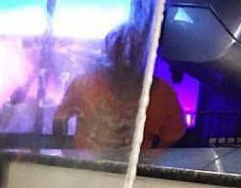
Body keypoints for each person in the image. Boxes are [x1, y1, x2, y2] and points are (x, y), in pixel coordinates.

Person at [53, 24, 185, 151]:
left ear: (144, 55)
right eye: (120, 50)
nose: (126, 58)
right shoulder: (84, 85)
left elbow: (174, 136)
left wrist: (151, 164)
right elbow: (59, 120)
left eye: (133, 51)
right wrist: (64, 156)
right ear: (109, 53)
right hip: (86, 169)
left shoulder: (162, 94)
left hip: (135, 171)